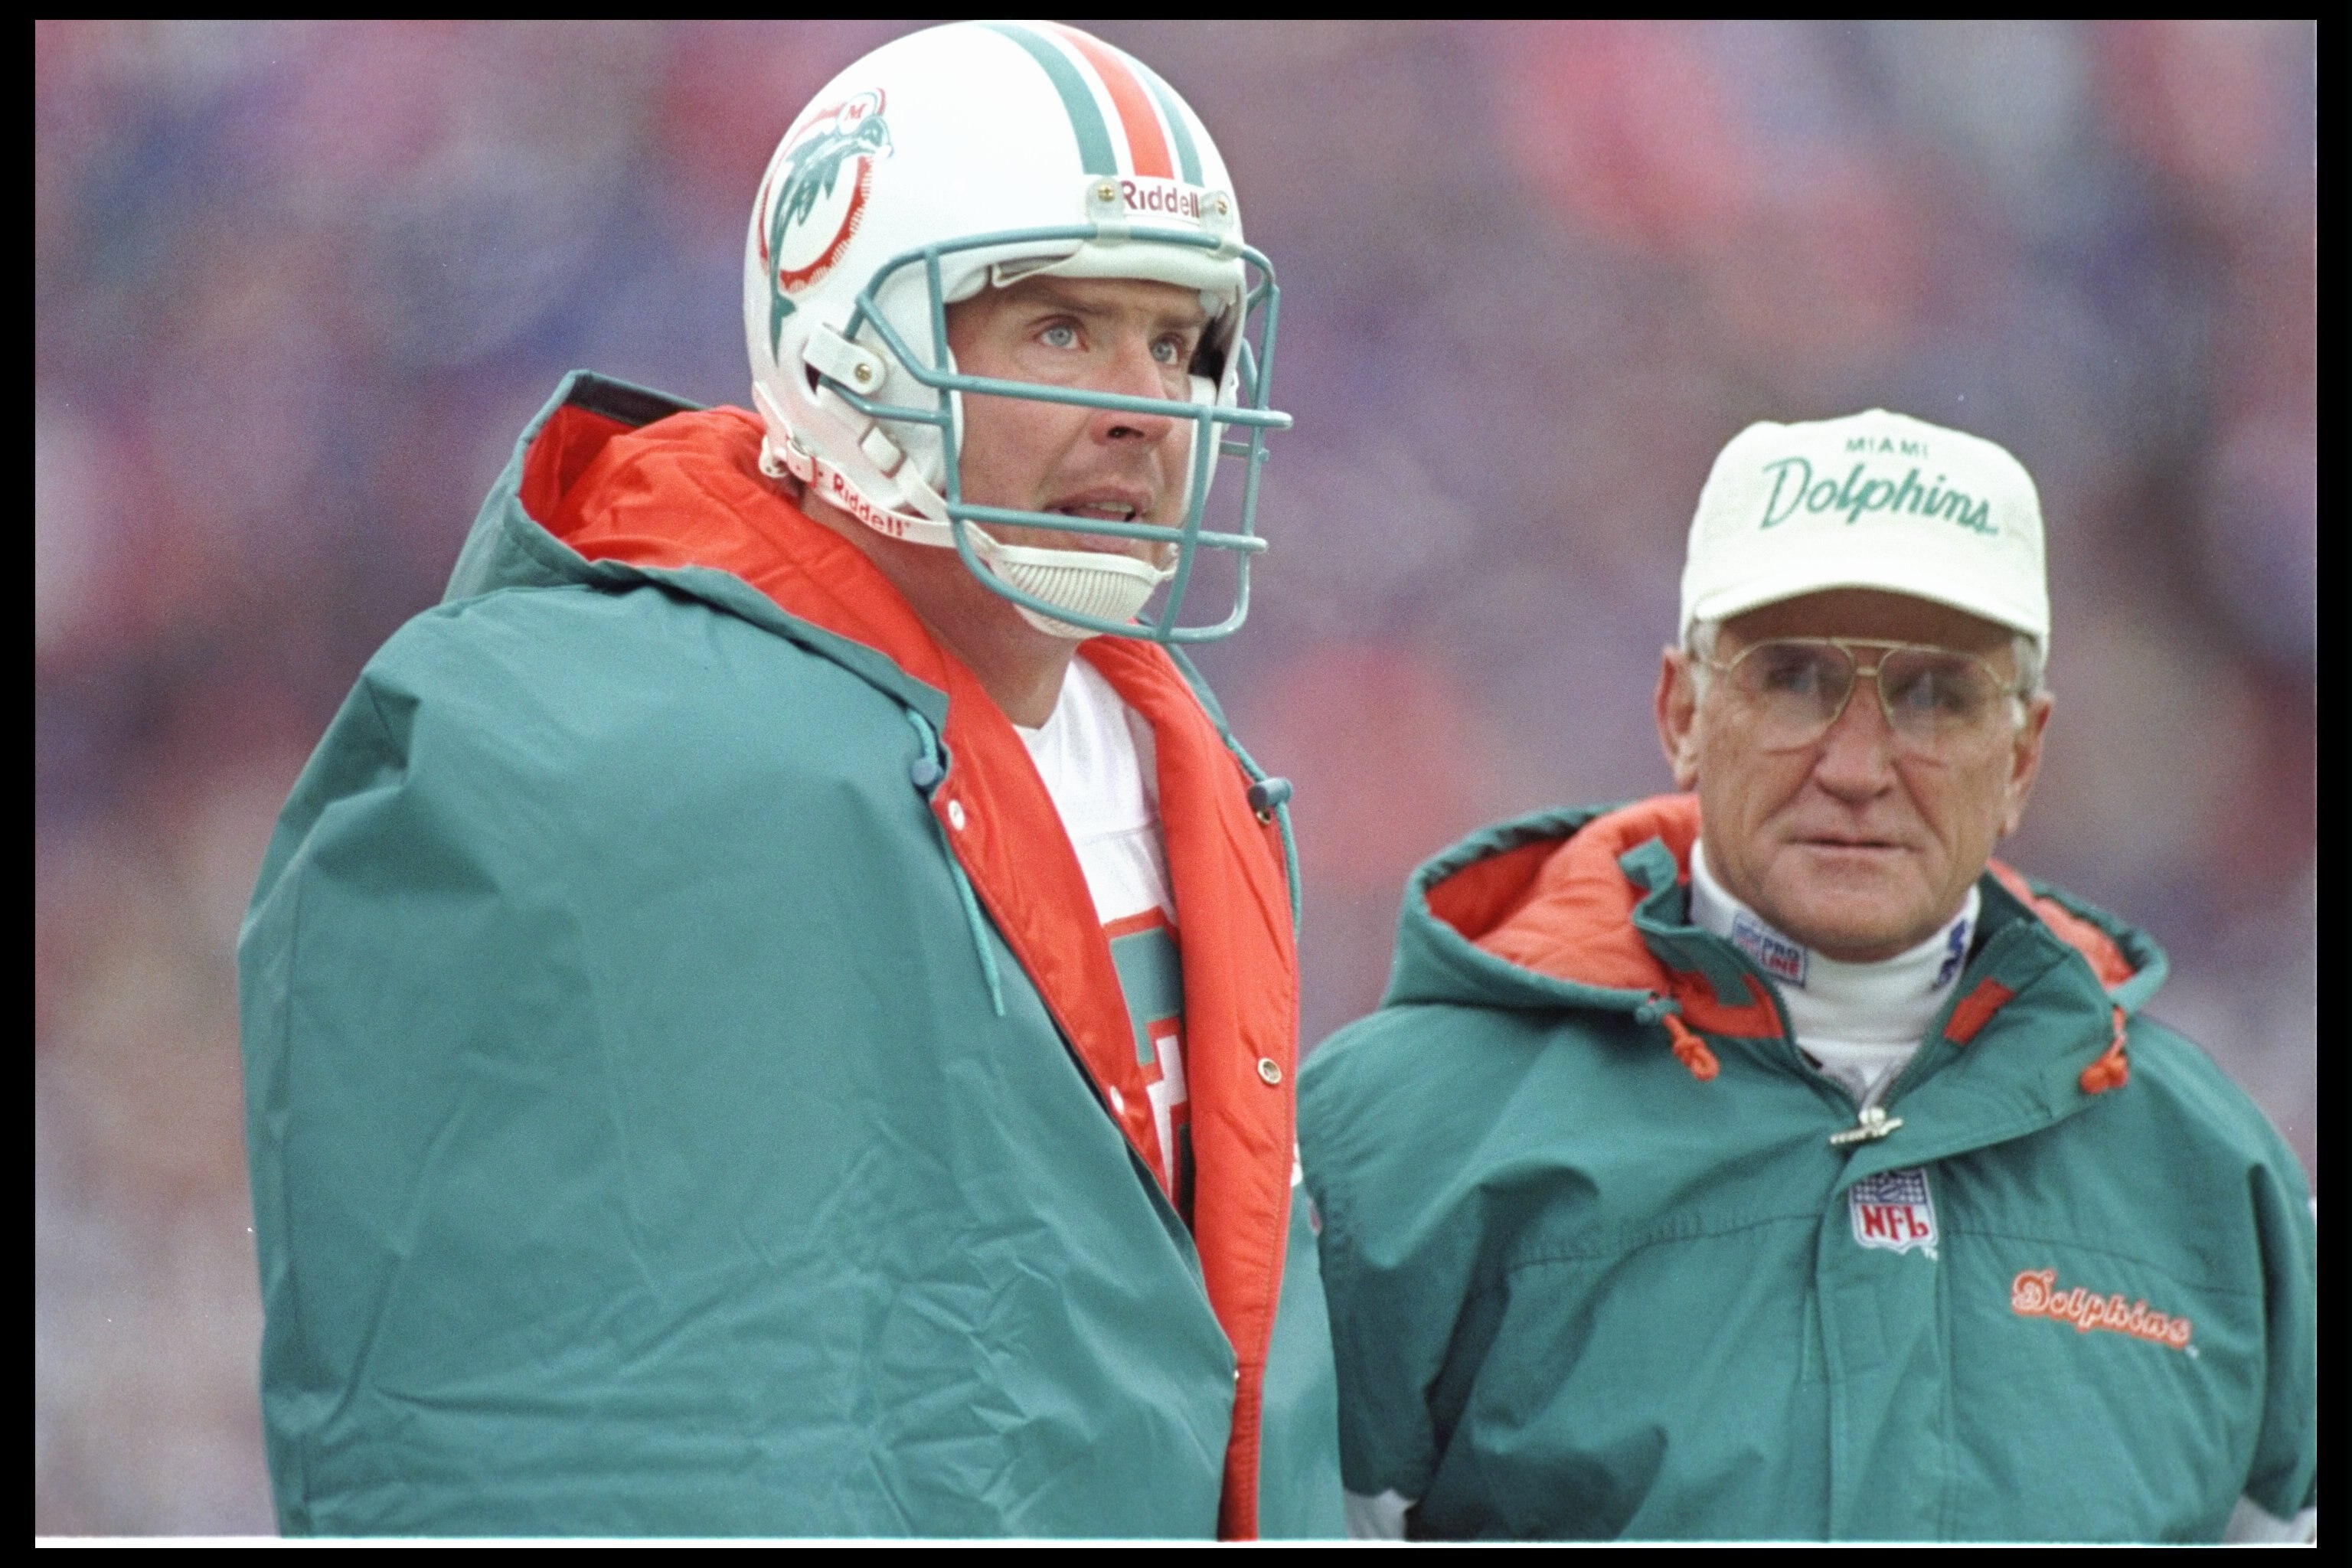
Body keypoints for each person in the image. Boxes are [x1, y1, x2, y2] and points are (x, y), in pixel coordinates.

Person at [239, 22, 1341, 1539]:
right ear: (847, 347)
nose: (1145, 406)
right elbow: (542, 1414)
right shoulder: (590, 746)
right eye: (1061, 329)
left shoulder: (1181, 750)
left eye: (1177, 343)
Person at [1298, 409, 2317, 1543]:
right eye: (1792, 680)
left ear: (2023, 756)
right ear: (1683, 713)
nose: (1858, 767)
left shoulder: (2217, 1178)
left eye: (1936, 695)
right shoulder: (1394, 1144)